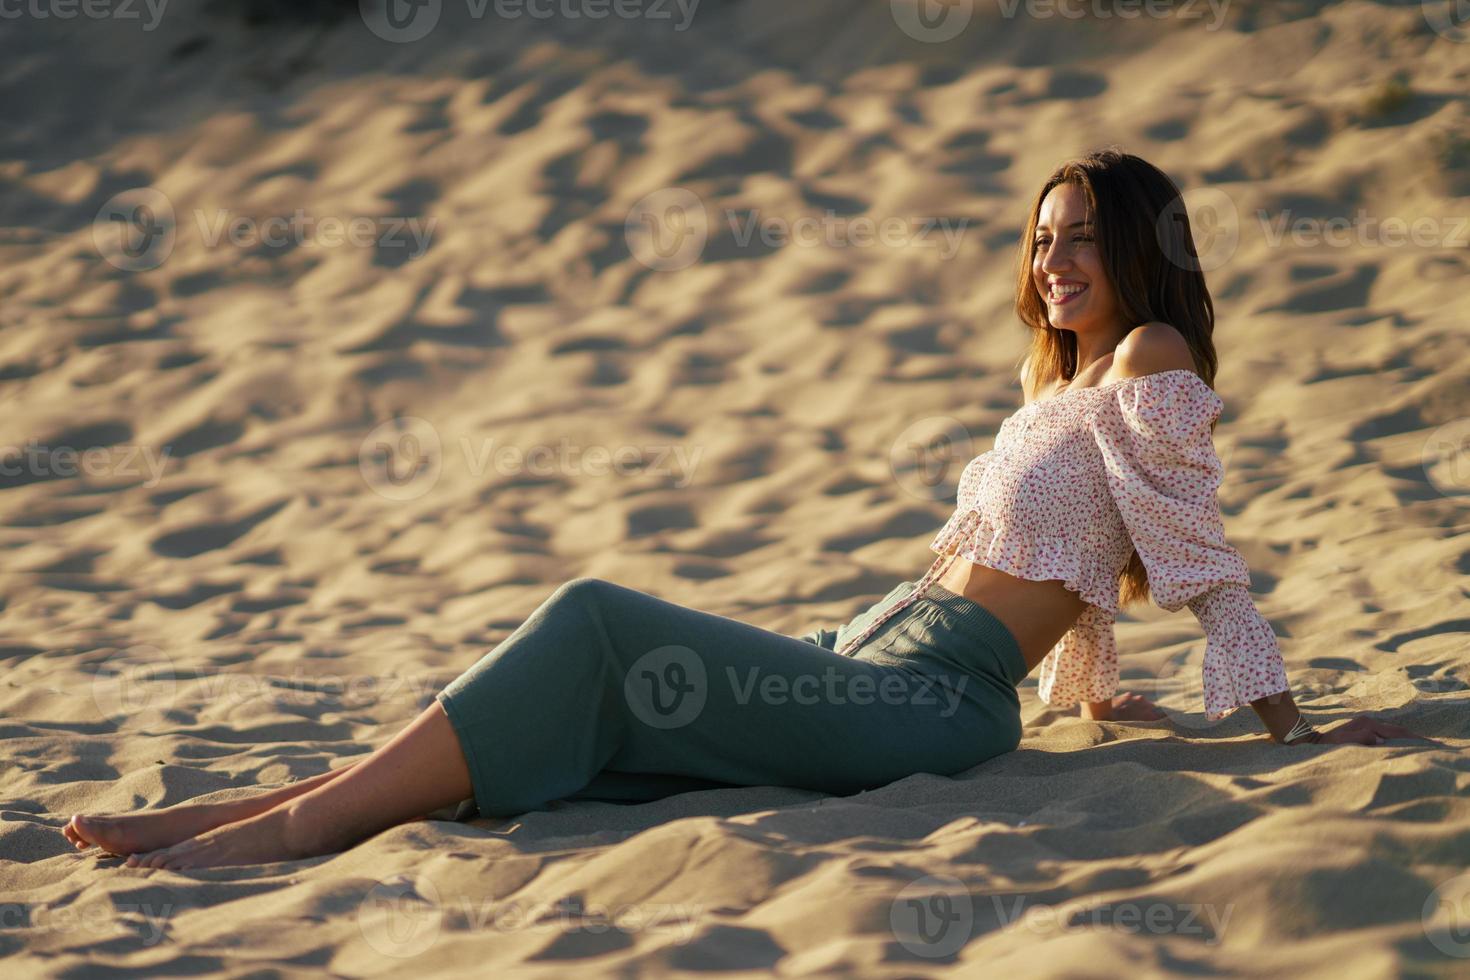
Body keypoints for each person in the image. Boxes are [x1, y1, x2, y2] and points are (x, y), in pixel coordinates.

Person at [63, 148, 1426, 870]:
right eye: (1036, 235)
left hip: (931, 705)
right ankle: (244, 807)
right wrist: (1090, 691)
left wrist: (1289, 726)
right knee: (588, 725)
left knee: (596, 622)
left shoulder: (1151, 362)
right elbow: (1081, 554)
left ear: (1137, 248)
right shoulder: (1056, 383)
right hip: (864, 653)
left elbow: (1189, 548)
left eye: (1076, 235)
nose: (1049, 257)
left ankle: (292, 832)